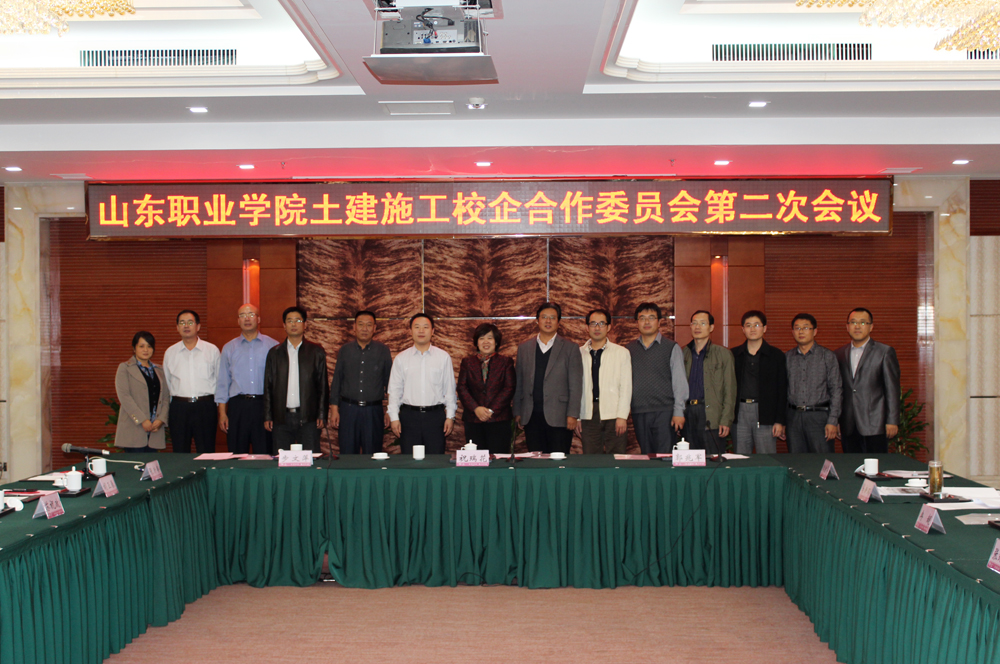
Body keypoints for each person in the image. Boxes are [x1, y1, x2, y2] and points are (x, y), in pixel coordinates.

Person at [513, 302, 584, 454]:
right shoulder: (524, 348)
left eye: (552, 317)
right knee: (536, 461)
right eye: (544, 317)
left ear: (559, 322)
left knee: (558, 460)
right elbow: (519, 382)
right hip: (531, 416)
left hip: (560, 416)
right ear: (537, 320)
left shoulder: (570, 348)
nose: (548, 321)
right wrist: (518, 411)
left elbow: (576, 384)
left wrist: (573, 414)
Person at [388, 313, 457, 455]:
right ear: (410, 331)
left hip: (435, 417)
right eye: (417, 327)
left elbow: (449, 390)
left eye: (425, 327)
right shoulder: (401, 358)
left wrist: (450, 416)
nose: (421, 331)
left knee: (435, 460)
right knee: (410, 460)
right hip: (409, 417)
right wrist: (394, 418)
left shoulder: (443, 357)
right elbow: (394, 391)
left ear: (432, 331)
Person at [263, 306, 329, 452]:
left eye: (298, 320)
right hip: (281, 418)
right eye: (290, 321)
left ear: (305, 325)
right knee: (282, 459)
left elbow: (323, 386)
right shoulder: (274, 353)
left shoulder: (316, 352)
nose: (294, 324)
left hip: (308, 417)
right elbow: (268, 386)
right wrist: (268, 415)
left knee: (310, 458)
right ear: (284, 325)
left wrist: (321, 414)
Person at [835, 307, 901, 454]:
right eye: (853, 322)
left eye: (863, 322)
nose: (857, 326)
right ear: (847, 327)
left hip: (875, 423)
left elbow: (892, 389)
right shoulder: (839, 354)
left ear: (871, 327)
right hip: (848, 423)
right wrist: (837, 420)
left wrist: (892, 420)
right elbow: (838, 390)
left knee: (876, 464)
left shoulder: (884, 352)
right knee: (851, 464)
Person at [215, 303, 278, 454]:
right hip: (238, 407)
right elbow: (223, 383)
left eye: (251, 314)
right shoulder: (229, 348)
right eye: (242, 315)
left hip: (264, 406)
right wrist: (222, 413)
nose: (247, 318)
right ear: (238, 321)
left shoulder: (273, 346)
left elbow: (279, 383)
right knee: (236, 453)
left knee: (264, 453)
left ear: (259, 319)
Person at [627, 303, 688, 454]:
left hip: (665, 412)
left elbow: (679, 382)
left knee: (664, 456)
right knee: (646, 456)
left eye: (651, 318)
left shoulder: (671, 347)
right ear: (637, 323)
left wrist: (679, 411)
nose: (647, 322)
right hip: (639, 411)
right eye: (642, 318)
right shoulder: (629, 349)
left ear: (659, 322)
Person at [330, 310, 393, 455]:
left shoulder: (383, 350)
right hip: (348, 410)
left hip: (373, 411)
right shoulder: (345, 350)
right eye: (361, 324)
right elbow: (337, 380)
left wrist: (389, 411)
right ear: (354, 327)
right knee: (347, 454)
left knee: (373, 454)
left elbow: (390, 383)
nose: (365, 328)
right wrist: (334, 410)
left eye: (369, 325)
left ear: (374, 328)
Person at [163, 310, 220, 454]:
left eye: (190, 322)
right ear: (177, 327)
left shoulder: (211, 350)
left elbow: (219, 380)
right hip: (179, 408)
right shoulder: (170, 352)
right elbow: (168, 382)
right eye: (182, 323)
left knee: (207, 451)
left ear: (198, 326)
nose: (186, 326)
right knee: (180, 451)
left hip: (205, 407)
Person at [731, 310, 787, 454]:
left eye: (756, 325)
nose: (752, 329)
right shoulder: (734, 355)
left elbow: (782, 390)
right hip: (740, 412)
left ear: (764, 328)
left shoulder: (776, 355)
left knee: (767, 458)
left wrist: (779, 421)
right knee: (741, 457)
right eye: (748, 325)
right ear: (743, 329)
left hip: (766, 413)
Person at [785, 313, 842, 454]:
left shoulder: (827, 356)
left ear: (815, 331)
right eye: (797, 328)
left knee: (822, 461)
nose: (801, 331)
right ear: (792, 332)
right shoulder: (787, 357)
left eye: (806, 328)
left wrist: (833, 420)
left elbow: (836, 390)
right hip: (793, 418)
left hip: (819, 417)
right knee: (797, 462)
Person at [577, 309, 632, 454]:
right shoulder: (579, 353)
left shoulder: (621, 353)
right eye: (593, 324)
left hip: (614, 413)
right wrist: (577, 417)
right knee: (591, 458)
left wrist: (622, 416)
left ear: (609, 327)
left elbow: (626, 387)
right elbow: (576, 387)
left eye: (601, 323)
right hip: (588, 413)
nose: (597, 328)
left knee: (617, 456)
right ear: (587, 327)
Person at [457, 322, 516, 455]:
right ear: (476, 342)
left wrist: (490, 410)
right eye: (482, 338)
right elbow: (462, 387)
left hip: (499, 419)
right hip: (474, 419)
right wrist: (476, 408)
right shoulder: (467, 362)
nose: (486, 342)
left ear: (496, 342)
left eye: (490, 338)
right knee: (476, 459)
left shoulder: (506, 362)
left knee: (498, 459)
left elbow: (509, 388)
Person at [682, 310, 736, 455]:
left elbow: (730, 390)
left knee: (713, 459)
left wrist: (726, 419)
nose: (697, 327)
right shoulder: (683, 353)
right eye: (694, 323)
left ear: (711, 327)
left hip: (711, 413)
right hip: (688, 413)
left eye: (702, 323)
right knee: (689, 459)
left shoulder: (723, 354)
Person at [115, 331, 170, 453]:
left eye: (149, 346)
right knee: (136, 464)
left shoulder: (160, 370)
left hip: (155, 430)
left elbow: (166, 398)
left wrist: (161, 419)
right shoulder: (125, 368)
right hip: (134, 428)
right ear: (134, 348)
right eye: (141, 346)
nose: (146, 350)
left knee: (152, 464)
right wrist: (142, 420)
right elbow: (124, 397)